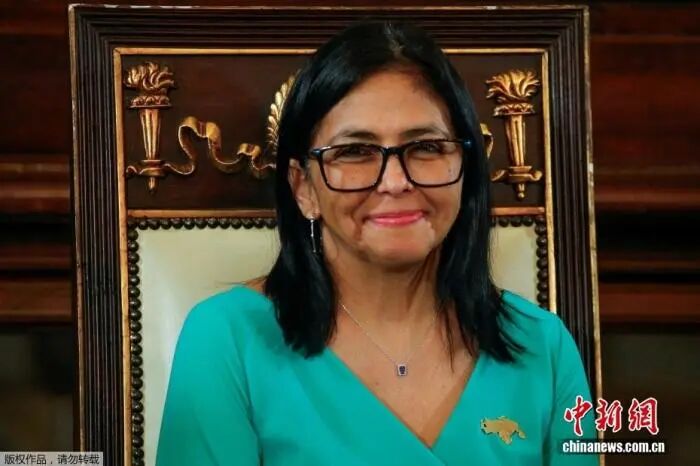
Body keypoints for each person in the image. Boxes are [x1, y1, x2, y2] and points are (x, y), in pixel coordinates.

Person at [155, 20, 598, 466]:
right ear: (304, 188)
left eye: (426, 146)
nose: (395, 181)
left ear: (465, 168)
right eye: (354, 152)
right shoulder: (226, 340)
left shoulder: (543, 346)